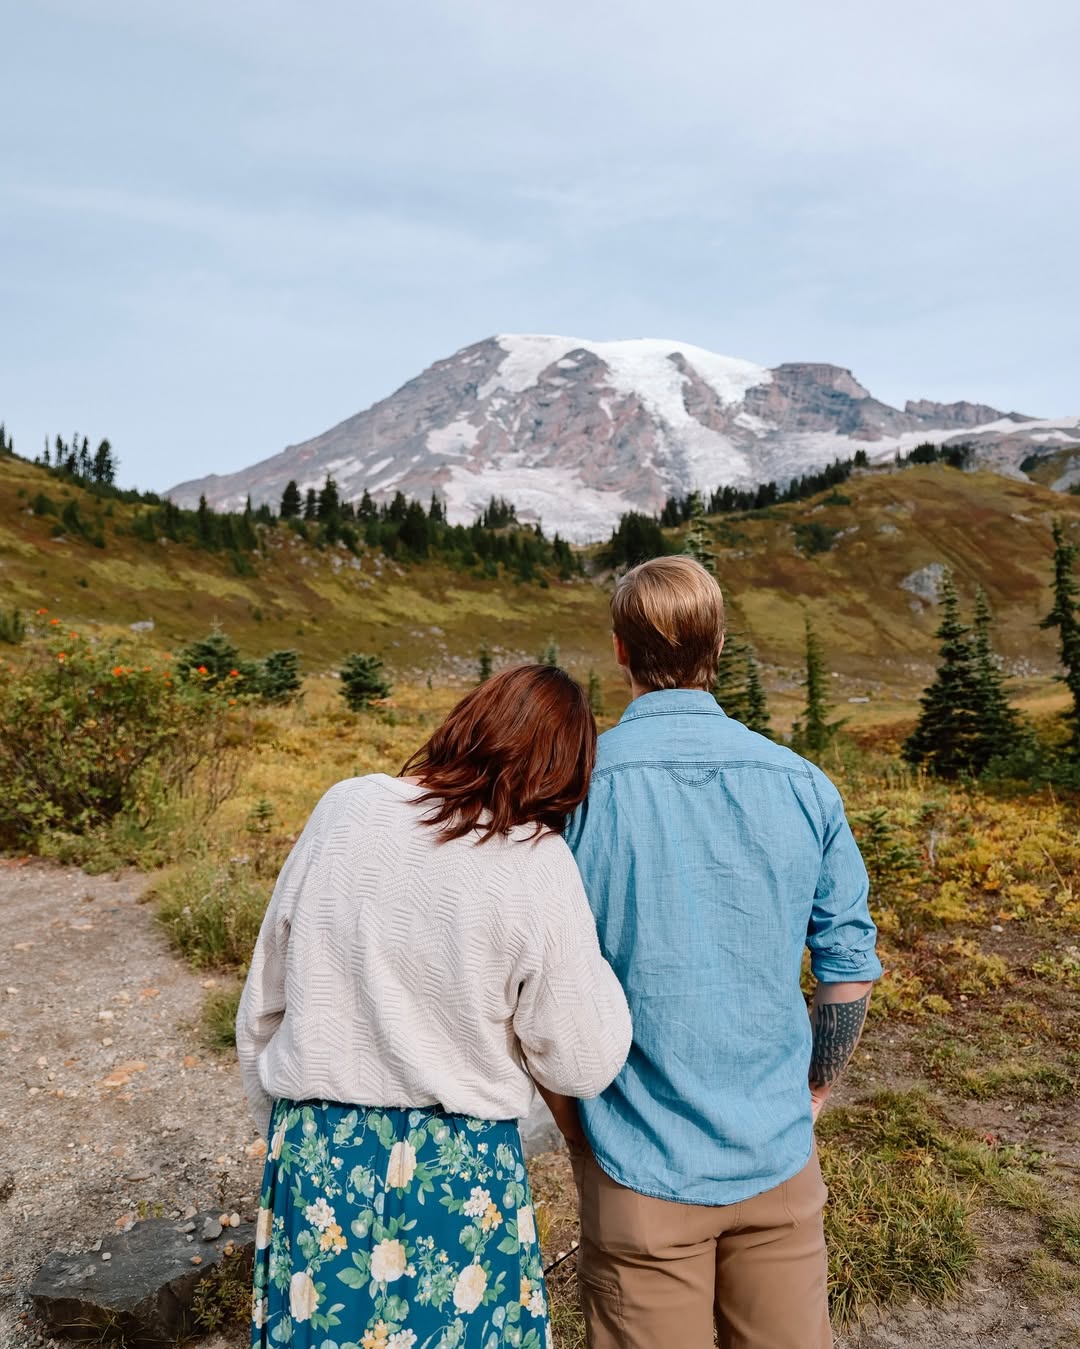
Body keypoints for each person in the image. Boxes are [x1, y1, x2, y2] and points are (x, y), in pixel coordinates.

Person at [236, 663, 632, 1349]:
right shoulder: (538, 860)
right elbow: (583, 1060)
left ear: (468, 721)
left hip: (318, 1148)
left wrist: (288, 1126)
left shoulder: (346, 806)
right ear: (566, 774)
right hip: (458, 1168)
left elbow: (264, 1003)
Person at [556, 556, 882, 1349]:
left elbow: (534, 978)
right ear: (721, 646)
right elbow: (848, 965)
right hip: (778, 1156)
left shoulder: (574, 791)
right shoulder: (805, 785)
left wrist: (577, 1129)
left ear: (621, 652)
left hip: (635, 1165)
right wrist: (815, 1090)